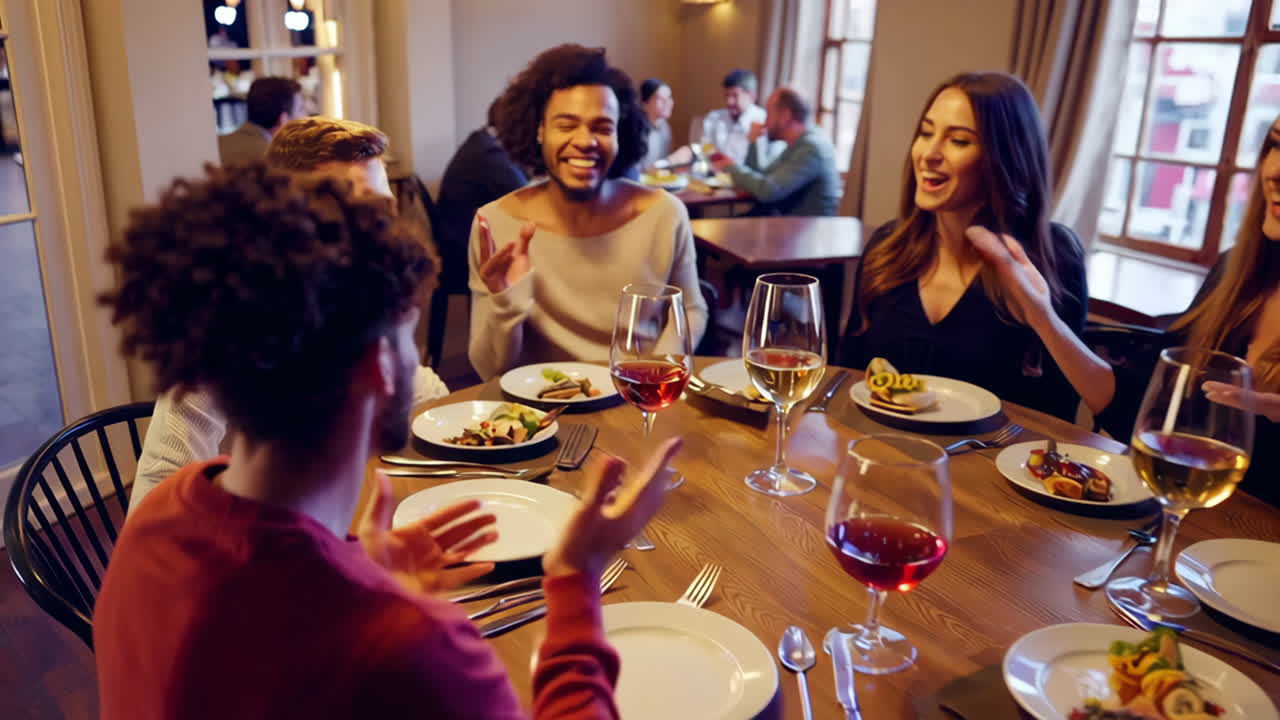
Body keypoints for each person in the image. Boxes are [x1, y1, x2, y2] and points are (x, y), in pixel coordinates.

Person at [95, 161, 684, 718]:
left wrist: (355, 566)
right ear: (378, 363)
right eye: (409, 336)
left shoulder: (155, 523)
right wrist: (575, 580)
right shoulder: (409, 650)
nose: (416, 357)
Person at [130, 117, 449, 513]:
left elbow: (427, 394)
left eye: (381, 211)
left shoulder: (361, 301)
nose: (374, 232)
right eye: (344, 212)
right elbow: (156, 493)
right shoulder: (235, 324)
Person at [836, 72, 1114, 422]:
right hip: (881, 450)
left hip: (998, 456)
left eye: (959, 141)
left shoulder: (1053, 256)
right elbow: (848, 378)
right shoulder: (887, 249)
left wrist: (1042, 317)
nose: (929, 154)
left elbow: (1105, 406)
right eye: (926, 133)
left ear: (1004, 157)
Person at [467, 44, 707, 380]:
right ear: (540, 130)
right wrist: (506, 303)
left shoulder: (665, 215)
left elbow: (692, 308)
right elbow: (489, 368)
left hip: (637, 396)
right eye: (566, 125)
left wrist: (657, 372)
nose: (585, 141)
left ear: (620, 136)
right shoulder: (494, 223)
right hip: (543, 404)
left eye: (603, 128)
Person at [1097, 115, 1280, 507]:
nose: (1274, 172)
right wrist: (1042, 313)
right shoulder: (1234, 274)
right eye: (1276, 145)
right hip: (1193, 529)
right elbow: (1147, 411)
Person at [435, 100, 530, 294]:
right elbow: (526, 198)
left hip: (457, 244)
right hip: (463, 256)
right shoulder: (490, 155)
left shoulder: (481, 142)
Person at [709, 87, 841, 216]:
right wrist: (753, 142)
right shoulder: (796, 144)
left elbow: (767, 191)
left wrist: (729, 167)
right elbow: (760, 178)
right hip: (785, 223)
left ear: (785, 116)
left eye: (769, 113)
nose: (765, 121)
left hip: (804, 228)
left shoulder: (812, 147)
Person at [699, 69, 781, 166]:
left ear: (752, 96)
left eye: (735, 96)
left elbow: (767, 163)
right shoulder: (714, 118)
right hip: (715, 173)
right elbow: (705, 148)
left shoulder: (765, 121)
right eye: (726, 96)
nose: (729, 102)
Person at [216, 76, 304, 165]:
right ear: (283, 120)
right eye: (301, 109)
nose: (305, 115)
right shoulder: (276, 161)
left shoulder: (217, 144)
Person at [639, 78, 674, 169]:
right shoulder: (636, 129)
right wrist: (671, 161)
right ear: (645, 103)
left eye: (669, 98)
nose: (667, 103)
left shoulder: (664, 126)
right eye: (660, 99)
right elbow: (638, 169)